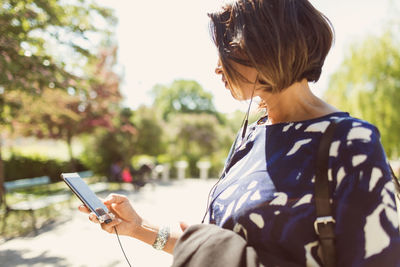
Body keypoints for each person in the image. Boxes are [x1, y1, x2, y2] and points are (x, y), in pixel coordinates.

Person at [79, 0, 400, 266]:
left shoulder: (350, 143)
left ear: (267, 47)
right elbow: (217, 248)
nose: (217, 66)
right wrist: (137, 227)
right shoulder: (251, 136)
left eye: (226, 48)